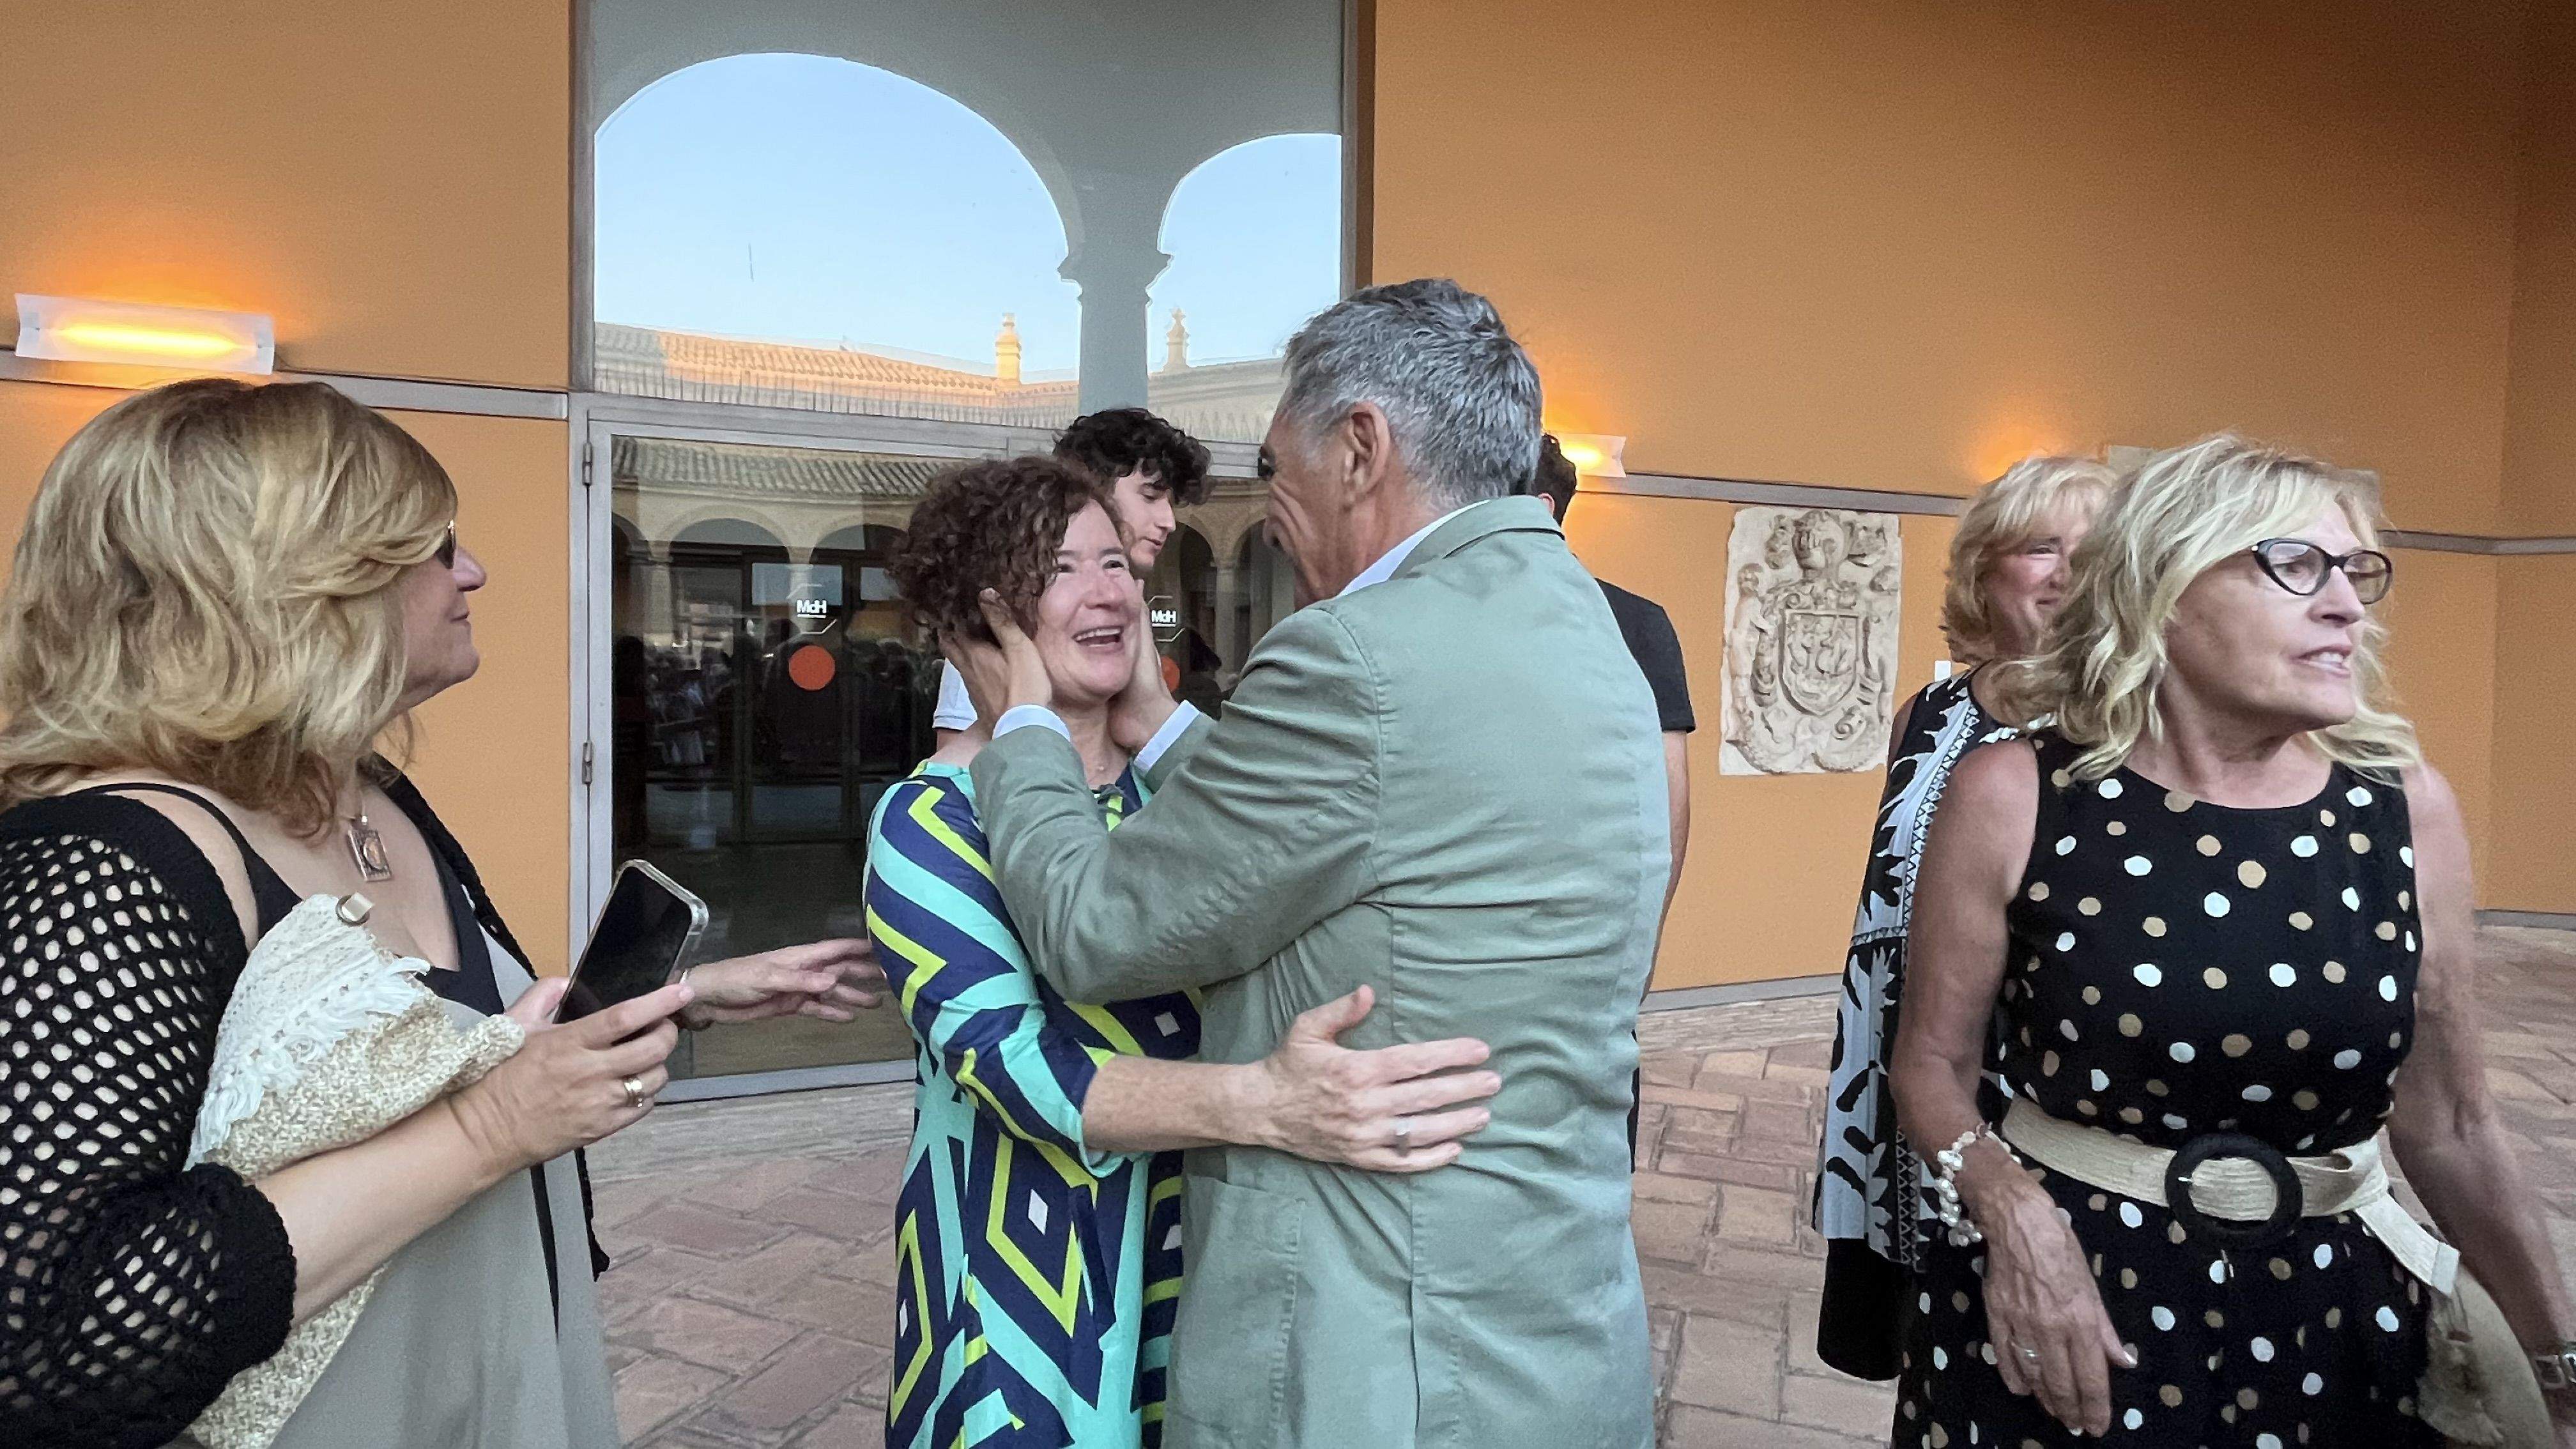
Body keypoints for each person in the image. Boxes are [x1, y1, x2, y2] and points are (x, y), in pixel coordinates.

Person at [0, 379, 880, 1448]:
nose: (472, 570)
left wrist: (680, 997)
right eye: (433, 546)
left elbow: (432, 1050)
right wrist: (490, 1127)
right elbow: (57, 1337)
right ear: (293, 579)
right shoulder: (102, 864)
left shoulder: (366, 791)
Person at [948, 279, 1665, 1449]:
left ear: (1360, 447)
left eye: (1276, 469)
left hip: (1382, 1344)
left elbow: (1092, 927)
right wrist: (1163, 726)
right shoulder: (1591, 631)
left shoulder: (1358, 655)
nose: (1267, 508)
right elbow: (1349, 839)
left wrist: (1021, 720)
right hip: (1549, 1312)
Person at [1889, 434, 2576, 1445]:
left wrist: (2558, 1358)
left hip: (2336, 1313)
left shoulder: (2405, 812)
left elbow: (2455, 1126)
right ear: (2161, 589)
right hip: (2074, 1312)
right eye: (2295, 566)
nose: (2346, 603)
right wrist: (2013, 1213)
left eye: (2356, 571)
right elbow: (1931, 1066)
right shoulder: (2019, 793)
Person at [869, 455, 1502, 1449]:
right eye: (1063, 567)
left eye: (1117, 561)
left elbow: (1303, 854)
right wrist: (1264, 1102)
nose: (1111, 589)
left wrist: (1158, 720)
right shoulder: (927, 821)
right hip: (1028, 1277)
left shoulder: (1172, 784)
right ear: (980, 623)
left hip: (1203, 1244)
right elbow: (1013, 1065)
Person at [1813, 455, 2116, 1379]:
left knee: (2012, 1348)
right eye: (2039, 548)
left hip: (2021, 1086)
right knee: (1920, 1351)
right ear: (1986, 573)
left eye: (2092, 553)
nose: (2067, 573)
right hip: (1894, 1060)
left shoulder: (2128, 729)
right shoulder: (1930, 712)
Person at [1522, 431, 1695, 1163]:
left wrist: (1645, 937)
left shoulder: (1632, 622)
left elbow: (1668, 794)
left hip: (1581, 927)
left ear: (1538, 507)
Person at [933, 408, 1213, 747]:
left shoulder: (1130, 611)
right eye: (1150, 496)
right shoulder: (1002, 621)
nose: (1168, 520)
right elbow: (960, 767)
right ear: (1088, 487)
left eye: (1113, 566)